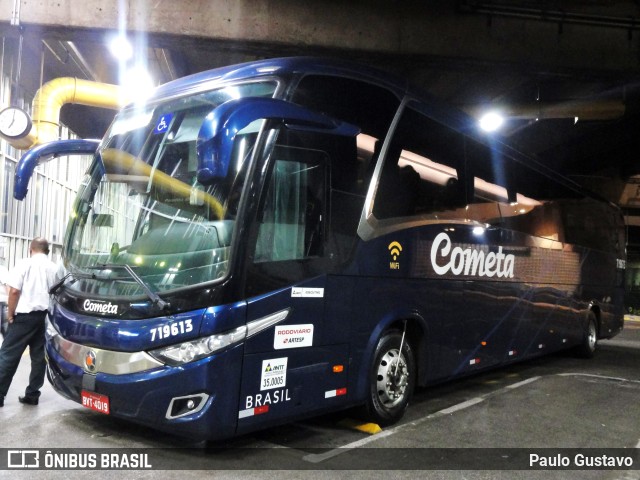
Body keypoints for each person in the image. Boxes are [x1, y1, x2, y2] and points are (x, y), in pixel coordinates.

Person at [0, 238, 62, 407]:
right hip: (44, 317)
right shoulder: (54, 268)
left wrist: (10, 314)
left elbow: (14, 291)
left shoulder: (24, 264)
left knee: (7, 355)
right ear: (47, 251)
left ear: (30, 248)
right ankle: (33, 394)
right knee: (39, 357)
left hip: (24, 317)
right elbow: (58, 294)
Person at [0, 264, 8, 338]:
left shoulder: (2, 269)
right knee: (4, 327)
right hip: (2, 301)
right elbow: (7, 285)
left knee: (4, 328)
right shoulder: (2, 269)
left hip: (2, 302)